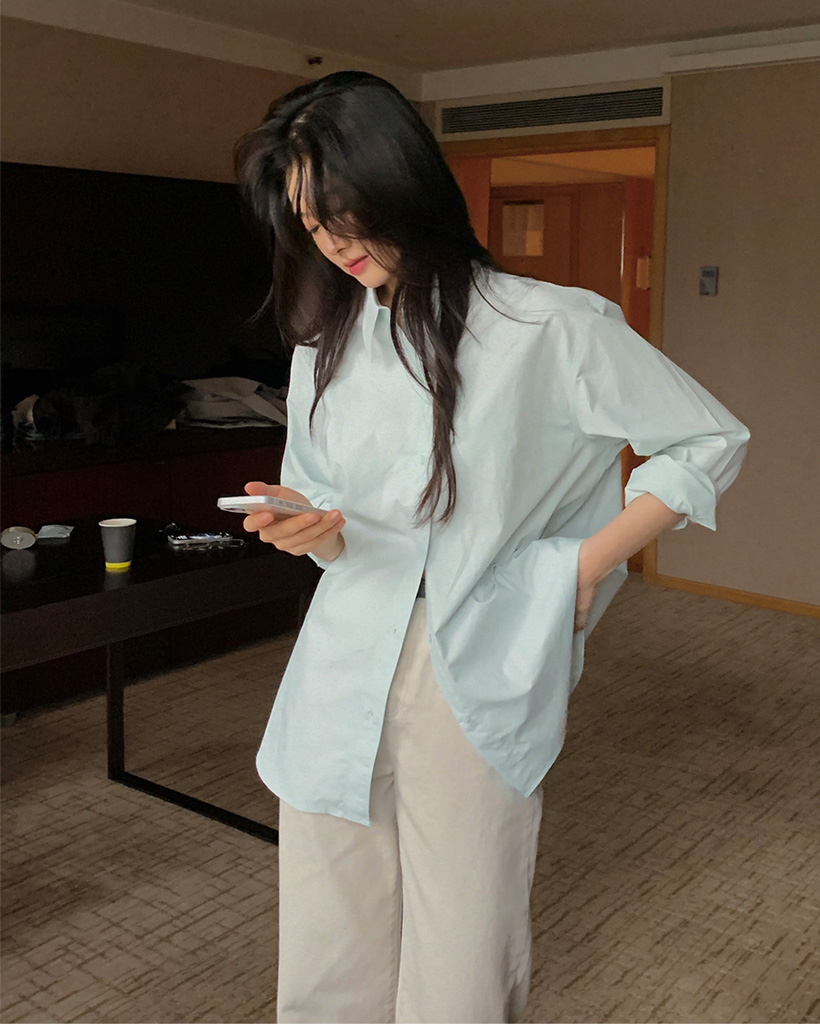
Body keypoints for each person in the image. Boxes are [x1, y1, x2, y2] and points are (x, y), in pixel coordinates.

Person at [233, 71, 750, 1024]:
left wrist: (581, 567)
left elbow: (708, 439)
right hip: (340, 648)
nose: (333, 242)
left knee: (463, 934)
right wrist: (308, 527)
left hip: (473, 650)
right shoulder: (322, 349)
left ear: (403, 184)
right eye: (308, 223)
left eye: (342, 210)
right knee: (326, 920)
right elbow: (325, 500)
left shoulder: (550, 326)